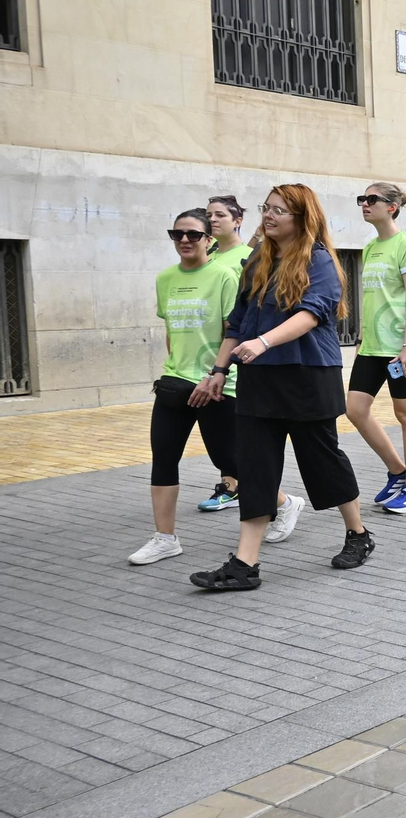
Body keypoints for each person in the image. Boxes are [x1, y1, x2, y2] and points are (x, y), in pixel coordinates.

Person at [189, 184, 373, 589]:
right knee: (256, 469)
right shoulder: (257, 260)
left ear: (301, 218)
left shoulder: (320, 261)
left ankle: (358, 534)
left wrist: (265, 340)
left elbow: (311, 314)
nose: (268, 216)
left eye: (279, 211)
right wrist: (219, 370)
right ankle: (244, 565)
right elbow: (236, 323)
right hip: (259, 377)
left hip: (308, 375)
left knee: (321, 461)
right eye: (266, 209)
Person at [131, 211, 257, 564]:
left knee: (229, 461)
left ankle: (283, 502)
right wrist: (176, 371)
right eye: (177, 234)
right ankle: (165, 538)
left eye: (193, 234)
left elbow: (233, 334)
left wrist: (213, 375)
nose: (185, 240)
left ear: (208, 239)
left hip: (217, 384)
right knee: (164, 458)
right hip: (176, 384)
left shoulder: (224, 276)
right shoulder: (166, 279)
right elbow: (173, 331)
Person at [347, 183, 406, 514]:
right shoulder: (369, 248)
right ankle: (398, 471)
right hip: (372, 346)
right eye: (361, 200)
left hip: (400, 347)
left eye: (371, 200)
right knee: (354, 409)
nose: (364, 205)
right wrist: (363, 337)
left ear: (391, 207)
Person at [206, 195, 253, 276]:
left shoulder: (251, 256)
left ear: (237, 222)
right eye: (208, 216)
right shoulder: (207, 255)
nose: (212, 219)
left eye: (220, 215)